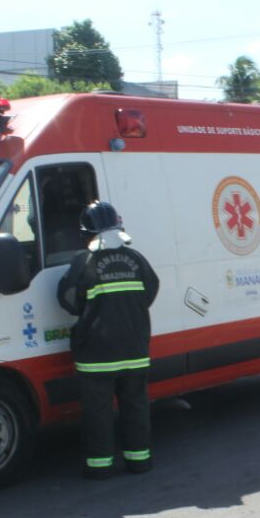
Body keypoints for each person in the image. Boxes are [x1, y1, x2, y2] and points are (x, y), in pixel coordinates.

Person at [57, 202, 160, 480]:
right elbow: (151, 291)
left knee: (98, 412)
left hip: (97, 355)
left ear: (86, 233)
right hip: (135, 350)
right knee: (136, 406)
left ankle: (100, 467)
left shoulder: (84, 262)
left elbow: (67, 300)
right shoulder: (137, 259)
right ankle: (139, 461)